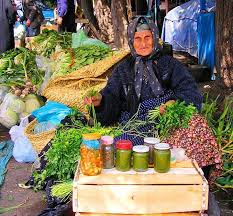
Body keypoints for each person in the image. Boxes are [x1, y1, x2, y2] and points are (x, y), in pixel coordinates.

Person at [84, 16, 222, 182]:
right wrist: (101, 102)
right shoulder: (123, 69)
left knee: (198, 127)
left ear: (155, 37)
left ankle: (198, 182)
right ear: (131, 41)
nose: (143, 44)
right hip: (137, 124)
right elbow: (111, 97)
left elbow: (190, 90)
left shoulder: (169, 64)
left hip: (167, 122)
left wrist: (174, 103)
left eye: (147, 37)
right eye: (137, 39)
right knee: (125, 150)